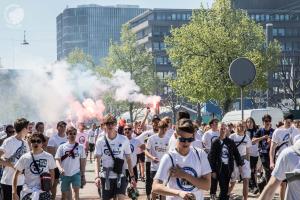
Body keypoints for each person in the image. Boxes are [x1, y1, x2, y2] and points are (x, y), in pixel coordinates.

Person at [152, 118, 211, 200]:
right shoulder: (169, 157)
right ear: (176, 135)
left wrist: (184, 175)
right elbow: (155, 187)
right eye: (182, 139)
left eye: (189, 139)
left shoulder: (200, 154)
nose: (186, 143)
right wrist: (179, 193)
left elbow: (207, 185)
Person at [94, 114, 136, 200]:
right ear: (104, 125)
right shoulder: (100, 141)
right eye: (107, 123)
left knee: (120, 197)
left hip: (120, 175)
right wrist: (97, 176)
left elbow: (128, 159)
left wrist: (132, 176)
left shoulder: (124, 139)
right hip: (105, 177)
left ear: (115, 124)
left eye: (112, 123)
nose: (110, 125)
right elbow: (97, 160)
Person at [12, 133, 56, 200]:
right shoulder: (25, 157)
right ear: (30, 142)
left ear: (42, 143)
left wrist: (49, 187)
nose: (36, 143)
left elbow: (52, 173)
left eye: (38, 141)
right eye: (33, 141)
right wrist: (14, 192)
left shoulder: (49, 156)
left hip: (43, 192)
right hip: (28, 192)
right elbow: (15, 174)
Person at [269, 113, 300, 200]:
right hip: (281, 159)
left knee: (292, 183)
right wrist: (271, 162)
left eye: (290, 121)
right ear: (283, 121)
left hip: (293, 161)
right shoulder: (277, 131)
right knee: (282, 184)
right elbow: (272, 148)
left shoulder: (296, 131)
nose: (289, 123)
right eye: (287, 121)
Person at [209, 123, 243, 200]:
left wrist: (240, 164)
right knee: (223, 188)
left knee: (225, 187)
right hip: (219, 168)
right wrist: (213, 170)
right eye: (221, 129)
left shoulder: (230, 142)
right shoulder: (215, 142)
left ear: (227, 130)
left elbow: (236, 154)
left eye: (224, 129)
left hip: (228, 168)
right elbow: (212, 158)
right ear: (218, 130)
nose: (223, 130)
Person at [0, 118, 30, 199]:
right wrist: (13, 166)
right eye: (28, 128)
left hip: (22, 183)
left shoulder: (26, 143)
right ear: (24, 129)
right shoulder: (9, 141)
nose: (28, 130)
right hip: (8, 182)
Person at [55, 126, 86, 200]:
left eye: (74, 134)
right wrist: (60, 169)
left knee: (76, 194)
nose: (72, 135)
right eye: (70, 133)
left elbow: (83, 161)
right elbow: (57, 159)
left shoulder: (80, 147)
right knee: (64, 196)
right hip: (64, 174)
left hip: (76, 173)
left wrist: (82, 174)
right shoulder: (62, 147)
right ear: (67, 135)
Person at [136, 114, 160, 200]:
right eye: (154, 122)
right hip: (149, 161)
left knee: (160, 180)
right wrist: (142, 146)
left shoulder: (163, 134)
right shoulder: (148, 133)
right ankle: (148, 196)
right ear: (152, 123)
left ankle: (160, 195)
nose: (156, 124)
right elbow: (136, 140)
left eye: (157, 122)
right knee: (149, 180)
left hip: (160, 161)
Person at [145, 120, 169, 200]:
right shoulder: (151, 138)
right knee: (154, 188)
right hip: (154, 167)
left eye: (166, 129)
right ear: (159, 128)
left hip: (165, 168)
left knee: (163, 188)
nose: (164, 131)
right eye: (163, 129)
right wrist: (152, 158)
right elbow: (146, 151)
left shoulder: (168, 139)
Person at [228, 121, 251, 200]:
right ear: (237, 127)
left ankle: (245, 199)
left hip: (244, 160)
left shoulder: (247, 137)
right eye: (240, 126)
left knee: (246, 180)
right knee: (233, 182)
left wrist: (248, 162)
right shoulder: (232, 136)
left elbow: (248, 151)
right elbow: (228, 150)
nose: (242, 127)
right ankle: (225, 195)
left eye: (243, 126)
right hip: (234, 160)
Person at [252, 114, 274, 191]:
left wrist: (270, 143)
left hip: (271, 154)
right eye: (266, 121)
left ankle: (261, 184)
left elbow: (276, 144)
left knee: (271, 171)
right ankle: (268, 190)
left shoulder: (273, 131)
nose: (267, 122)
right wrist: (262, 138)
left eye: (269, 121)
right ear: (263, 122)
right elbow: (253, 141)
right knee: (268, 170)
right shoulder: (260, 130)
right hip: (263, 154)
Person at [47, 121, 67, 199]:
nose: (62, 128)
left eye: (64, 127)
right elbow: (50, 153)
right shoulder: (53, 138)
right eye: (61, 126)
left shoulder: (67, 137)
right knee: (54, 184)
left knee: (65, 184)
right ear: (57, 128)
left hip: (66, 165)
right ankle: (53, 198)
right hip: (55, 165)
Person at [202, 118, 219, 199]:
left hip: (220, 156)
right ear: (211, 124)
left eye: (217, 123)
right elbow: (203, 144)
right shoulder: (207, 133)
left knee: (220, 174)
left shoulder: (219, 132)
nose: (216, 124)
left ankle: (218, 192)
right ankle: (212, 193)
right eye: (215, 123)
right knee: (213, 174)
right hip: (211, 156)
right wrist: (208, 151)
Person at [245, 117, 259, 194]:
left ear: (253, 123)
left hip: (256, 153)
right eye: (248, 122)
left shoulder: (257, 131)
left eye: (251, 122)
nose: (249, 123)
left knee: (254, 170)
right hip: (248, 154)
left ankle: (252, 186)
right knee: (250, 170)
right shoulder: (245, 132)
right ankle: (253, 186)